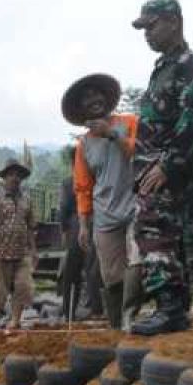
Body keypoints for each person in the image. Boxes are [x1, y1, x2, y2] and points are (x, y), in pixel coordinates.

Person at [129, 0, 193, 336]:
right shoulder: (163, 66)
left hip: (168, 168)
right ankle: (175, 308)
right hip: (151, 165)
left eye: (152, 26)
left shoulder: (191, 65)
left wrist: (169, 165)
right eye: (144, 28)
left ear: (174, 21)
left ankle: (170, 309)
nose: (146, 34)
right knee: (168, 235)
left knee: (153, 230)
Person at [62, 73, 139, 330]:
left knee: (137, 263)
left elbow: (139, 155)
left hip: (136, 207)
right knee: (111, 275)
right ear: (81, 109)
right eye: (86, 98)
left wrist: (111, 134)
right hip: (104, 215)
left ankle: (132, 319)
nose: (93, 100)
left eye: (96, 94)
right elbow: (83, 188)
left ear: (106, 98)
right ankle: (118, 326)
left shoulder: (129, 123)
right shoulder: (84, 145)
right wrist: (84, 225)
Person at [0, 158, 36, 330]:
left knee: (23, 286)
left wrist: (34, 250)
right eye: (11, 174)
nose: (15, 178)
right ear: (4, 177)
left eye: (18, 175)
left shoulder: (26, 200)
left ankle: (15, 321)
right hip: (0, 253)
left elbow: (30, 227)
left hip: (21, 253)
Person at [57, 147, 103, 322]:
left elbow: (63, 210)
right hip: (94, 226)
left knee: (73, 272)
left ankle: (69, 312)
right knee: (92, 270)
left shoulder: (69, 182)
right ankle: (96, 310)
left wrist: (64, 231)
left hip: (78, 227)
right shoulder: (97, 180)